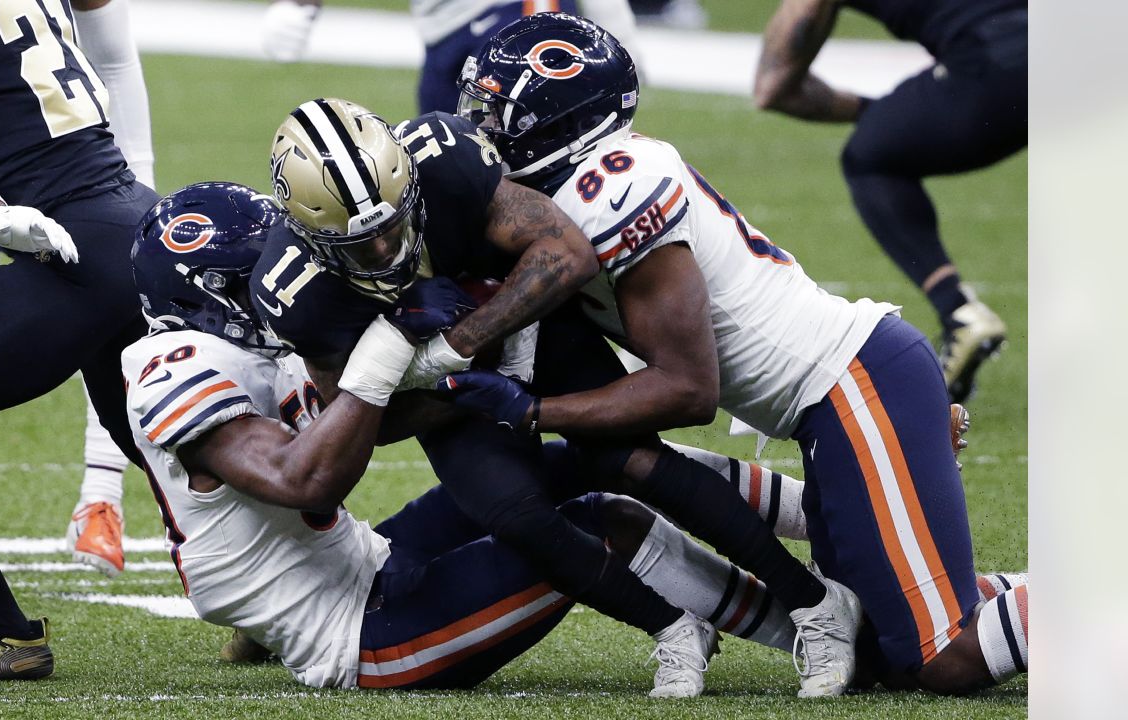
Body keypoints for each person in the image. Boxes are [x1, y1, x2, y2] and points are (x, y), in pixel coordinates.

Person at [443, 12, 1029, 694]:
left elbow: (686, 390)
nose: (480, 132)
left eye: (495, 116)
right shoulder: (560, 197)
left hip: (856, 382)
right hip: (833, 407)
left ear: (560, 125)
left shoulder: (613, 190)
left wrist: (536, 411)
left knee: (944, 657)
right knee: (880, 648)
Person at [256, 96, 862, 697]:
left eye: (393, 226)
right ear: (310, 238)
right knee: (516, 517)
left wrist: (457, 344)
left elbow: (565, 252)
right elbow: (370, 421)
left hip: (529, 323)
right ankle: (674, 630)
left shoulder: (442, 160)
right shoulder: (295, 289)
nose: (387, 251)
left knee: (628, 461)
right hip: (451, 396)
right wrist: (415, 359)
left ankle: (815, 604)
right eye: (362, 246)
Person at [127, 181, 800, 690]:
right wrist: (390, 347)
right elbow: (307, 478)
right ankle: (810, 631)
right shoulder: (176, 365)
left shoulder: (262, 355)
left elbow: (361, 427)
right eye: (262, 274)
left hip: (363, 561)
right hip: (361, 636)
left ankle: (811, 513)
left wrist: (493, 373)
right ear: (209, 293)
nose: (286, 282)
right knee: (605, 523)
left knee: (597, 458)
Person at [0, 0, 160, 682]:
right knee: (165, 446)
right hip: (125, 217)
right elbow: (115, 57)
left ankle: (5, 631)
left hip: (70, 245)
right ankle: (284, 605)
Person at [751, 0, 1027, 403]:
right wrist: (892, 117)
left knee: (869, 158)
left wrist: (877, 116)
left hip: (998, 60)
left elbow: (772, 87)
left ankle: (959, 312)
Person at [62, 0, 161, 577]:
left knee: (113, 277)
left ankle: (100, 496)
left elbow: (112, 55)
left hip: (39, 154)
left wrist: (134, 184)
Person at [252, 0, 641, 116]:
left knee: (529, 161)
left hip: (511, 14)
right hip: (440, 33)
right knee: (449, 180)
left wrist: (613, 24)